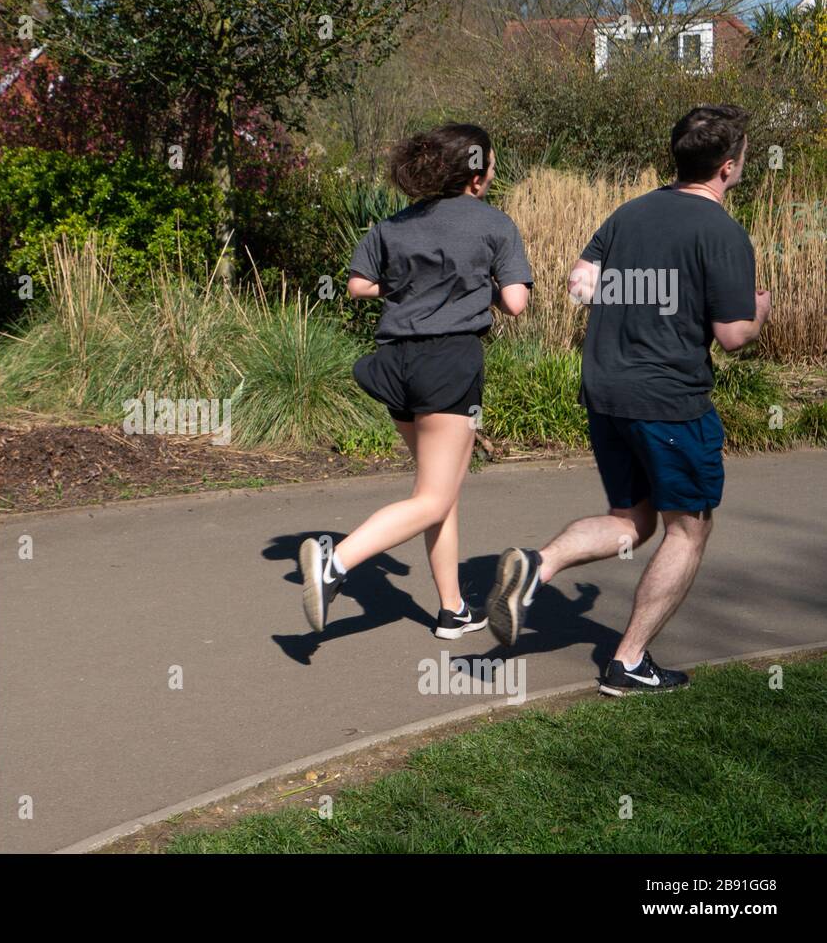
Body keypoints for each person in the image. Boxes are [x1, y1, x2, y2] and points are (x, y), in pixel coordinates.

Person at [486, 104, 771, 695]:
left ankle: (539, 566)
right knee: (688, 529)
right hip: (668, 398)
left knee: (634, 520)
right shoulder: (722, 231)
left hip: (605, 388)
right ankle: (628, 662)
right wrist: (759, 311)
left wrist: (633, 299)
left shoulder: (629, 212)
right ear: (728, 166)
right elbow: (733, 336)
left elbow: (579, 282)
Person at [299, 123, 532, 638]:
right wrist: (482, 285)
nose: (494, 171)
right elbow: (516, 303)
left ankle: (453, 610)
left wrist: (414, 284)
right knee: (432, 497)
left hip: (393, 364)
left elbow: (359, 286)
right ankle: (333, 564)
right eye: (491, 163)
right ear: (475, 174)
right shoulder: (494, 224)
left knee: (439, 491)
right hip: (448, 363)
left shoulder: (393, 225)